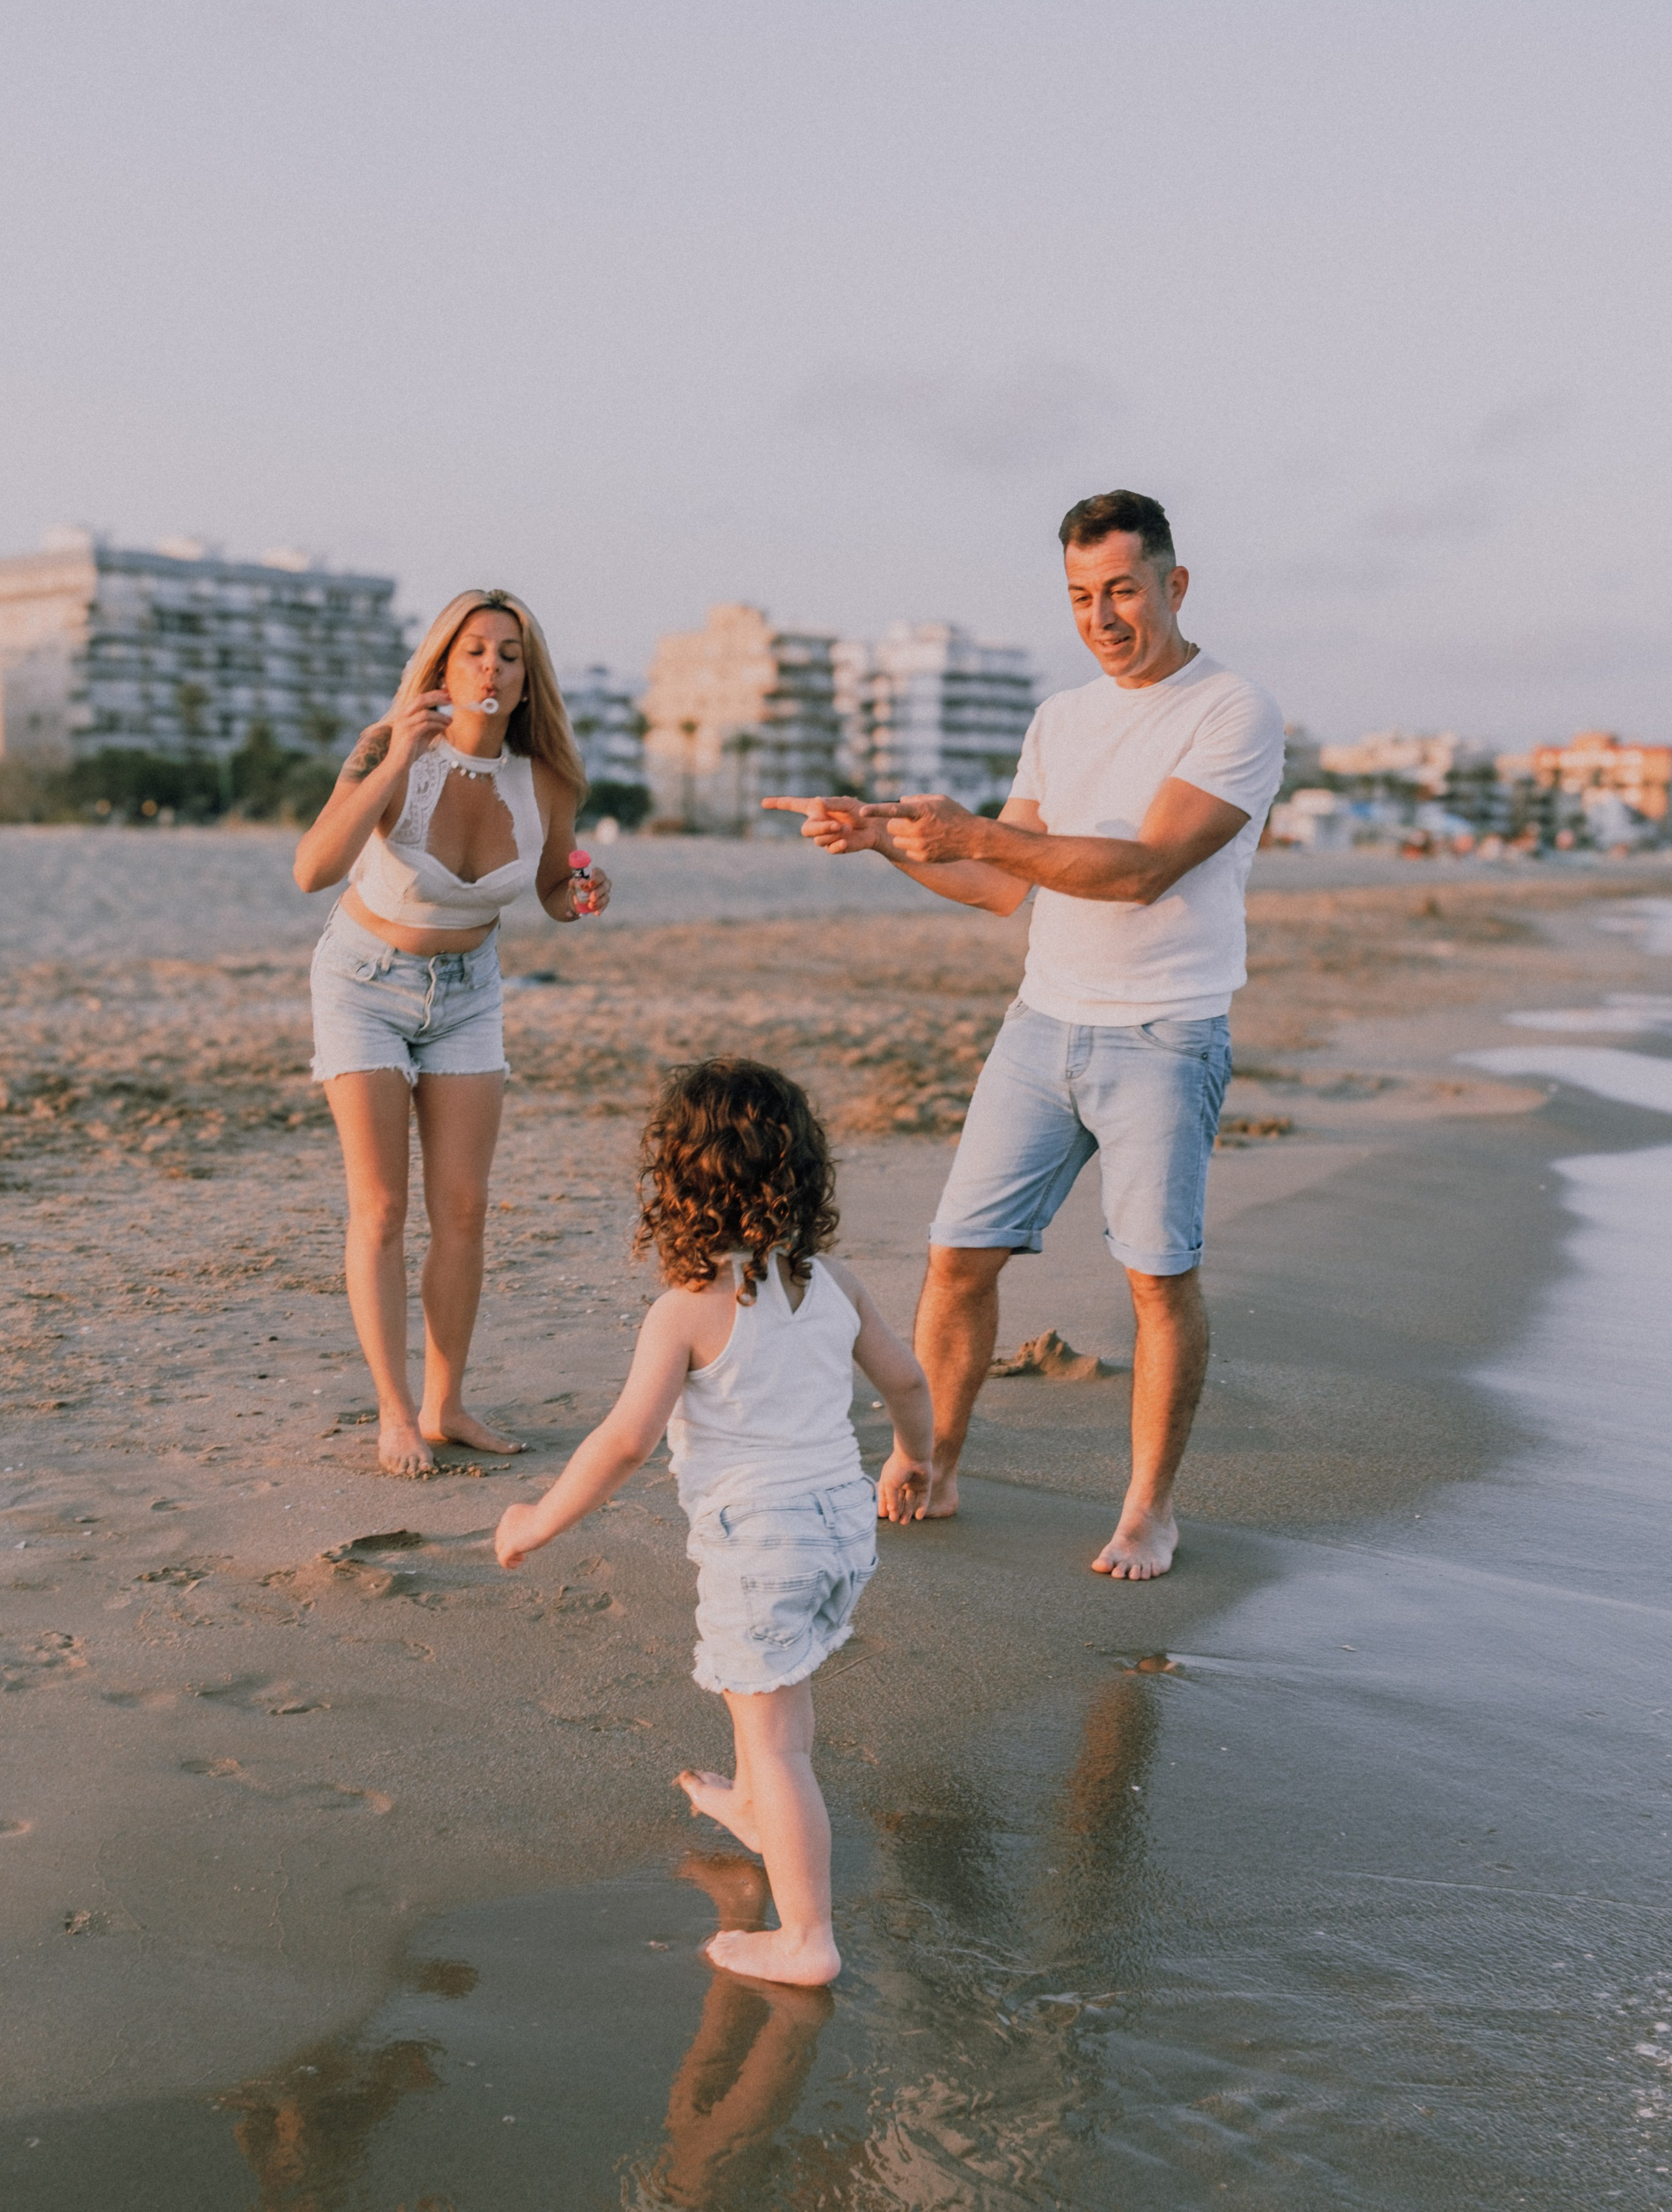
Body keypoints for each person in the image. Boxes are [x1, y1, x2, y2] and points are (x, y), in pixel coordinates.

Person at [765, 488, 1285, 1581]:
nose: (1102, 617)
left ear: (1174, 587)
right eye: (1082, 597)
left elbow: (1143, 870)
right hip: (1041, 1024)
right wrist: (885, 839)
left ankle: (1148, 1511)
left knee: (1156, 1278)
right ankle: (938, 1462)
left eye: (1123, 592)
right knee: (957, 1258)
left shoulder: (1231, 711)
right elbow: (1002, 886)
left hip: (1163, 1035)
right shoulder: (1062, 716)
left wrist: (983, 832)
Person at [495, 1058, 933, 1985]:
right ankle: (753, 1811)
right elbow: (907, 1378)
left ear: (676, 1186)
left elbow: (623, 1442)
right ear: (804, 1175)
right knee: (769, 1693)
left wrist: (538, 1519)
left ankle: (807, 1934)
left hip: (764, 1542)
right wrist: (914, 1456)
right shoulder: (835, 1284)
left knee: (780, 1737)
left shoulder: (685, 1309)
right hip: (841, 1531)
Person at [294, 587, 611, 1478]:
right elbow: (312, 867)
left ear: (525, 681)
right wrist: (393, 755)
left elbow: (554, 887)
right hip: (363, 980)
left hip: (471, 988)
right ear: (440, 667)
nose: (490, 666)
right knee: (383, 1206)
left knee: (464, 1208)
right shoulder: (391, 755)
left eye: (508, 654)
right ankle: (393, 1412)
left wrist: (585, 893)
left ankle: (445, 1402)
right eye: (472, 649)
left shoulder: (546, 778)